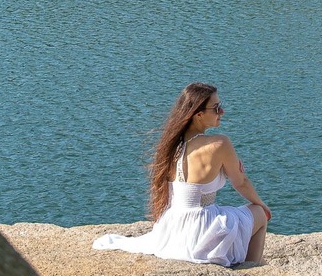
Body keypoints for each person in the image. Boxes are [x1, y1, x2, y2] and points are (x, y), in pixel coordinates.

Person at [93, 82, 271, 266]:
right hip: (203, 231)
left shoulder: (170, 146)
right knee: (259, 213)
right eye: (216, 108)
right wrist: (262, 205)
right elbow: (241, 182)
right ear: (198, 114)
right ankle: (253, 268)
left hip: (172, 229)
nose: (222, 111)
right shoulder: (219, 144)